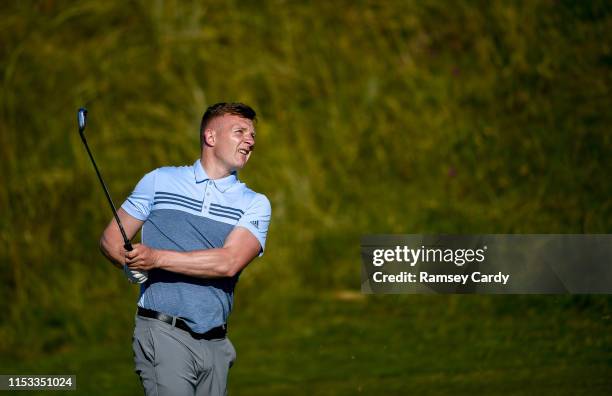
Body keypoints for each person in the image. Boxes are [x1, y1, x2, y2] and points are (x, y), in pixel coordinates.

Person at [99, 102, 271, 396]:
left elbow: (228, 262)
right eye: (240, 131)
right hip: (163, 331)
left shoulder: (255, 203)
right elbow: (111, 240)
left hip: (216, 344)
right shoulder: (159, 181)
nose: (250, 140)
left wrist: (155, 259)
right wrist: (130, 265)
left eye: (253, 135)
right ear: (211, 137)